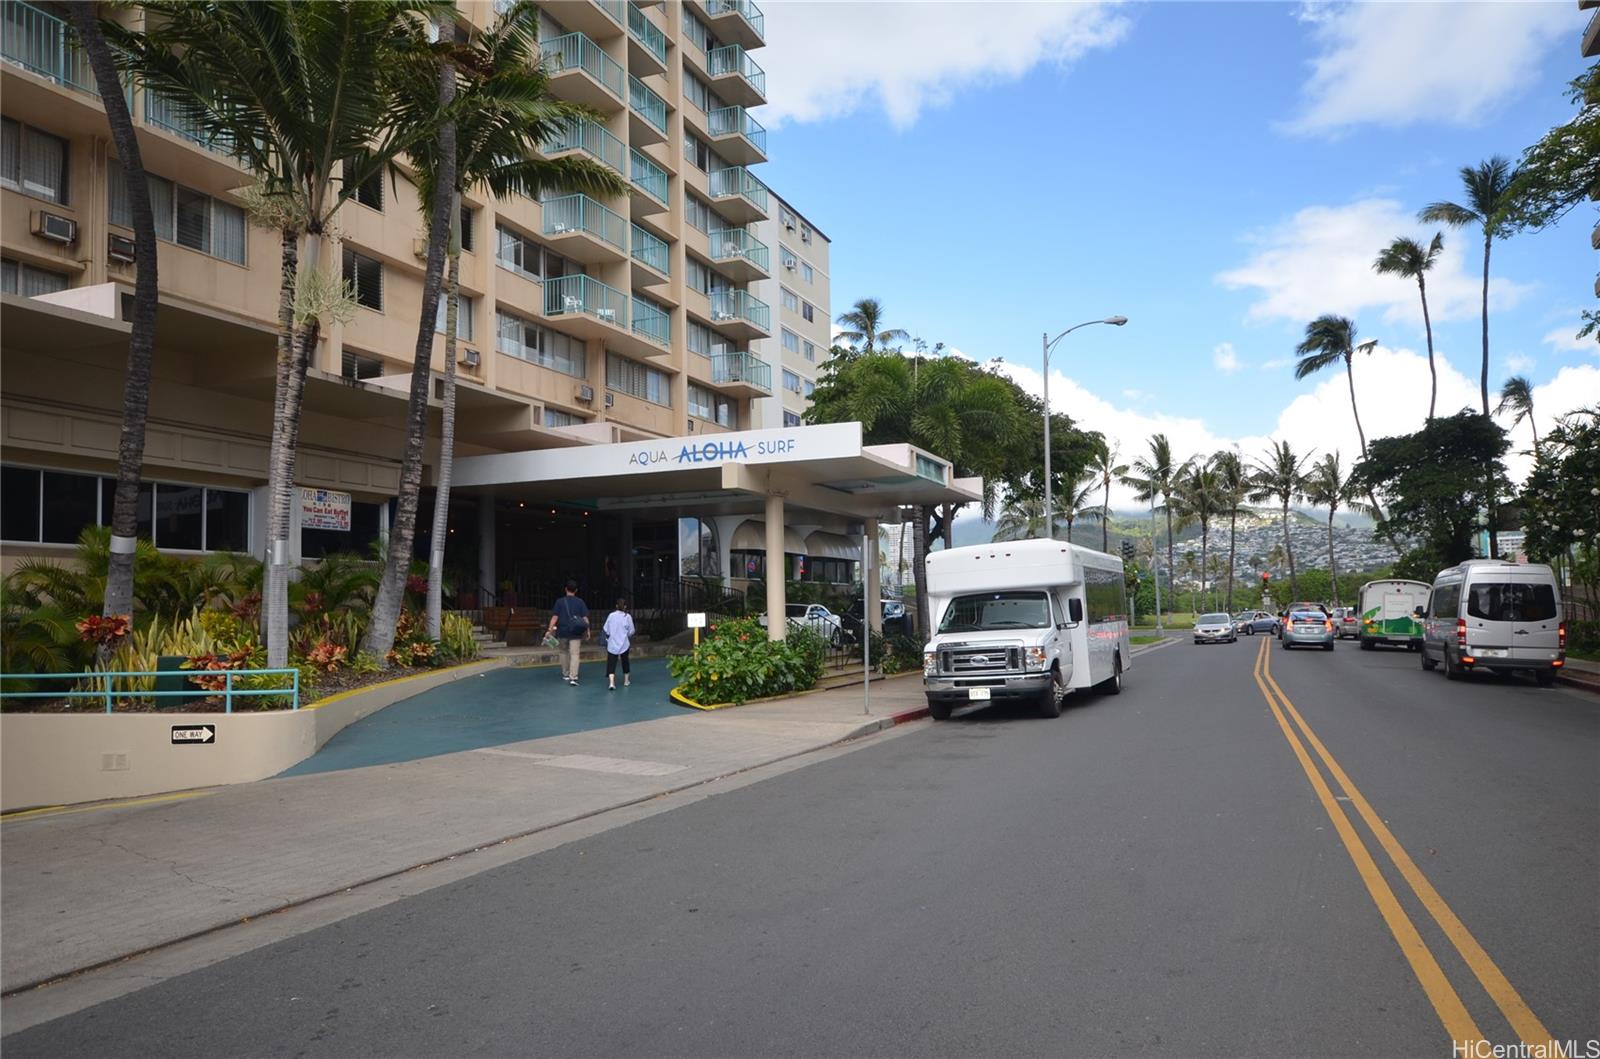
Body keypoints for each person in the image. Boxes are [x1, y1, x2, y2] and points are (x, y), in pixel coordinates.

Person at [547, 580, 590, 686]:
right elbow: (585, 618)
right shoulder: (580, 602)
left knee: (563, 652)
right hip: (575, 632)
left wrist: (549, 630)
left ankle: (565, 673)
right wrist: (587, 630)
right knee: (575, 654)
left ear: (565, 589)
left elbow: (554, 617)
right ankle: (573, 676)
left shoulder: (559, 602)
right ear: (576, 590)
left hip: (562, 631)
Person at [602, 597, 635, 691]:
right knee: (625, 661)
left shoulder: (611, 615)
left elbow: (606, 629)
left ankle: (612, 683)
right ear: (625, 607)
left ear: (616, 606)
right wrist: (626, 635)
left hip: (612, 643)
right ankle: (626, 680)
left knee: (611, 663)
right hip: (624, 643)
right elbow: (632, 631)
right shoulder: (627, 617)